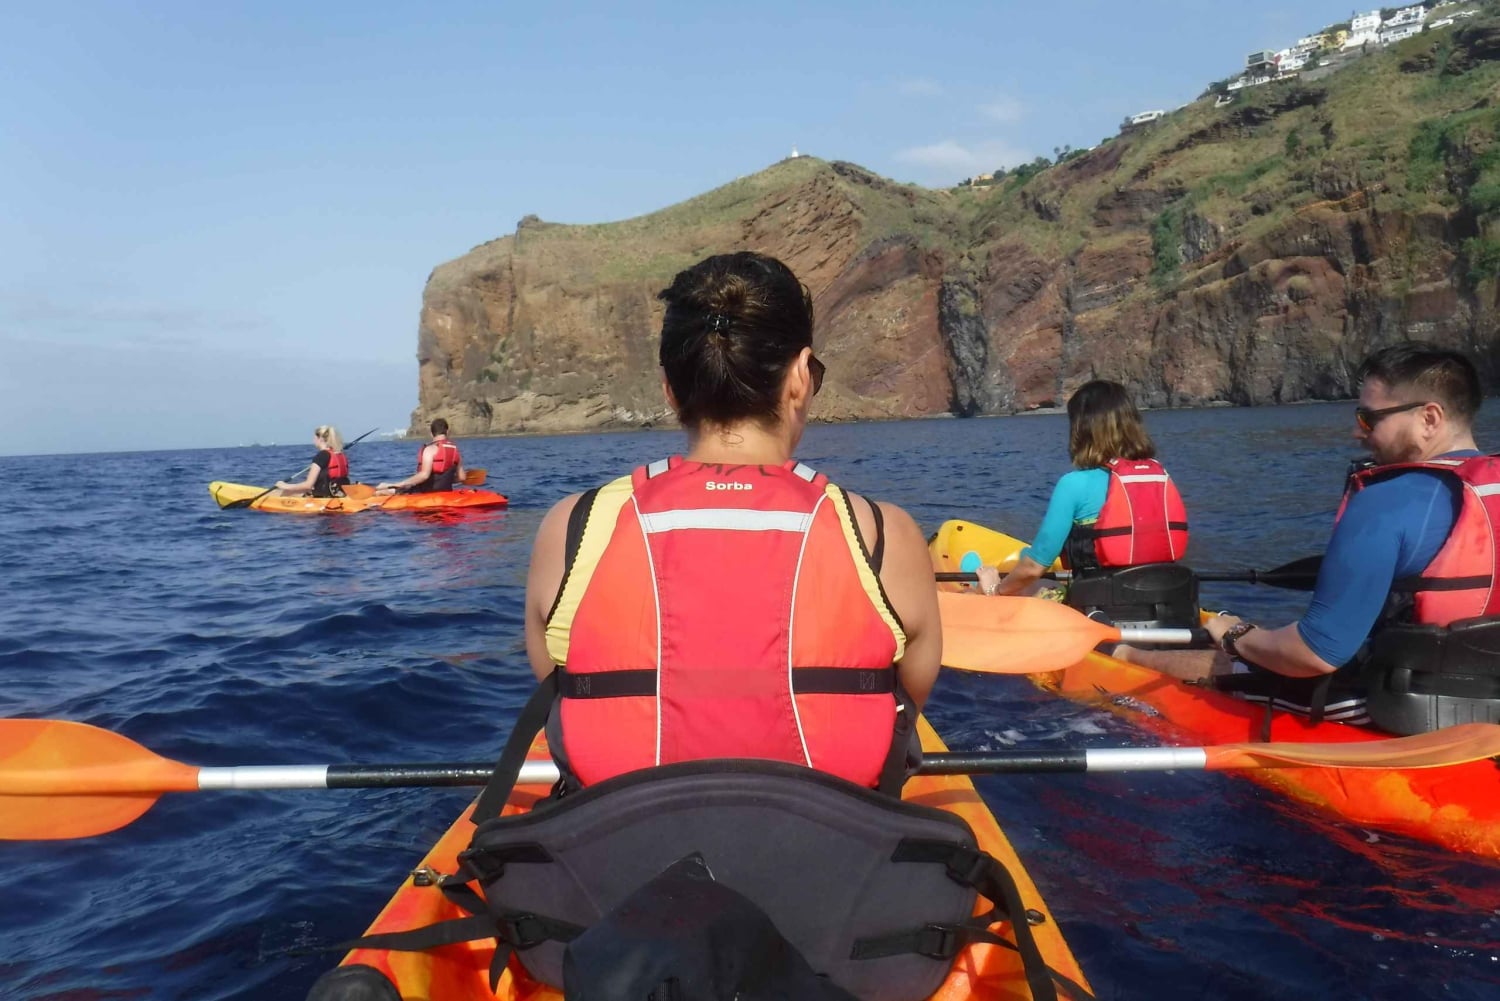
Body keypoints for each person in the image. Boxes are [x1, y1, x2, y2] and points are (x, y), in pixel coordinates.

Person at [522, 251, 941, 793]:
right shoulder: (885, 536)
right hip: (834, 856)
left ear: (670, 388)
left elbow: (558, 687)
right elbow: (908, 702)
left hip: (619, 861)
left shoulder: (571, 530)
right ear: (799, 376)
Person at [1165, 342, 1498, 734]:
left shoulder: (1384, 501)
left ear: (1429, 419)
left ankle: (1121, 653)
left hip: (1395, 708)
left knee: (1225, 661)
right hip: (1487, 698)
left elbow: (1316, 653)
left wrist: (1236, 635)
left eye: (1369, 418)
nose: (1356, 432)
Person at [975, 380, 1192, 625]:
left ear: (1082, 430)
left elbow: (1033, 567)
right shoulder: (1160, 476)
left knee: (1039, 584)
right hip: (1166, 604)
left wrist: (995, 590)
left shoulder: (1074, 484)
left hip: (1103, 614)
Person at [376, 417, 465, 494]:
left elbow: (424, 475)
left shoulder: (430, 450)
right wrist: (447, 480)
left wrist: (400, 484)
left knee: (380, 492)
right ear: (447, 431)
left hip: (424, 492)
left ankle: (386, 488)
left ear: (431, 433)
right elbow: (462, 477)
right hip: (446, 491)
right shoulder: (455, 451)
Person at [274, 426, 350, 497]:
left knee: (286, 492)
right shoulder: (339, 454)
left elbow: (308, 485)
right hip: (338, 494)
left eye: (314, 438)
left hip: (322, 496)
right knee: (295, 491)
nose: (313, 440)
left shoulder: (321, 455)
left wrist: (284, 486)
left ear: (320, 439)